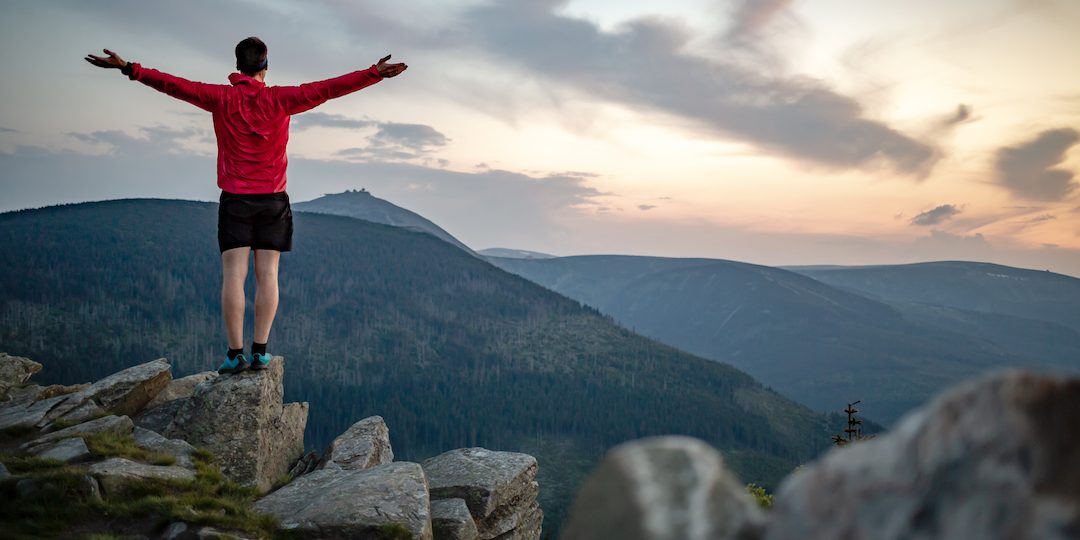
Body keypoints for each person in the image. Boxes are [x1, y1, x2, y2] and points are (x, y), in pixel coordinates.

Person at [85, 37, 407, 375]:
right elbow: (327, 89)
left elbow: (174, 85)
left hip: (235, 199)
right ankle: (260, 352)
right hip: (273, 201)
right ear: (265, 66)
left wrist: (129, 69)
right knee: (267, 275)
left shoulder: (220, 97)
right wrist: (373, 74)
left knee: (233, 277)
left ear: (238, 66)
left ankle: (234, 353)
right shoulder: (281, 99)